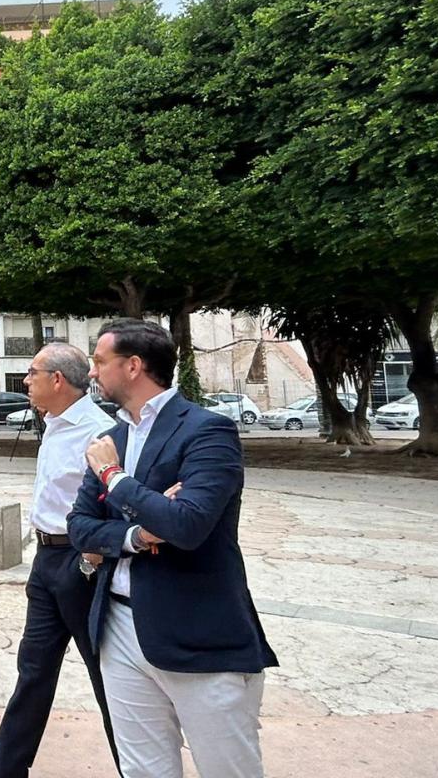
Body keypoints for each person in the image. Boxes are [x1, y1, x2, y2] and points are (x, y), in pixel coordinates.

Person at [68, 319, 278, 778]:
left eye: (101, 362)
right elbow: (80, 528)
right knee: (143, 770)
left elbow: (187, 526)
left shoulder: (207, 431)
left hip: (197, 633)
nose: (93, 373)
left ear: (134, 366)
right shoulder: (112, 439)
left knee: (229, 769)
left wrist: (114, 479)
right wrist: (138, 535)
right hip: (118, 627)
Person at [0, 342, 119, 778]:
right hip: (44, 561)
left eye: (32, 373)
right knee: (33, 671)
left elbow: (114, 502)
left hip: (82, 564)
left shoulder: (100, 432)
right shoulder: (54, 425)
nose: (26, 381)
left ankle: (135, 768)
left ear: (57, 380)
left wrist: (95, 554)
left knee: (108, 679)